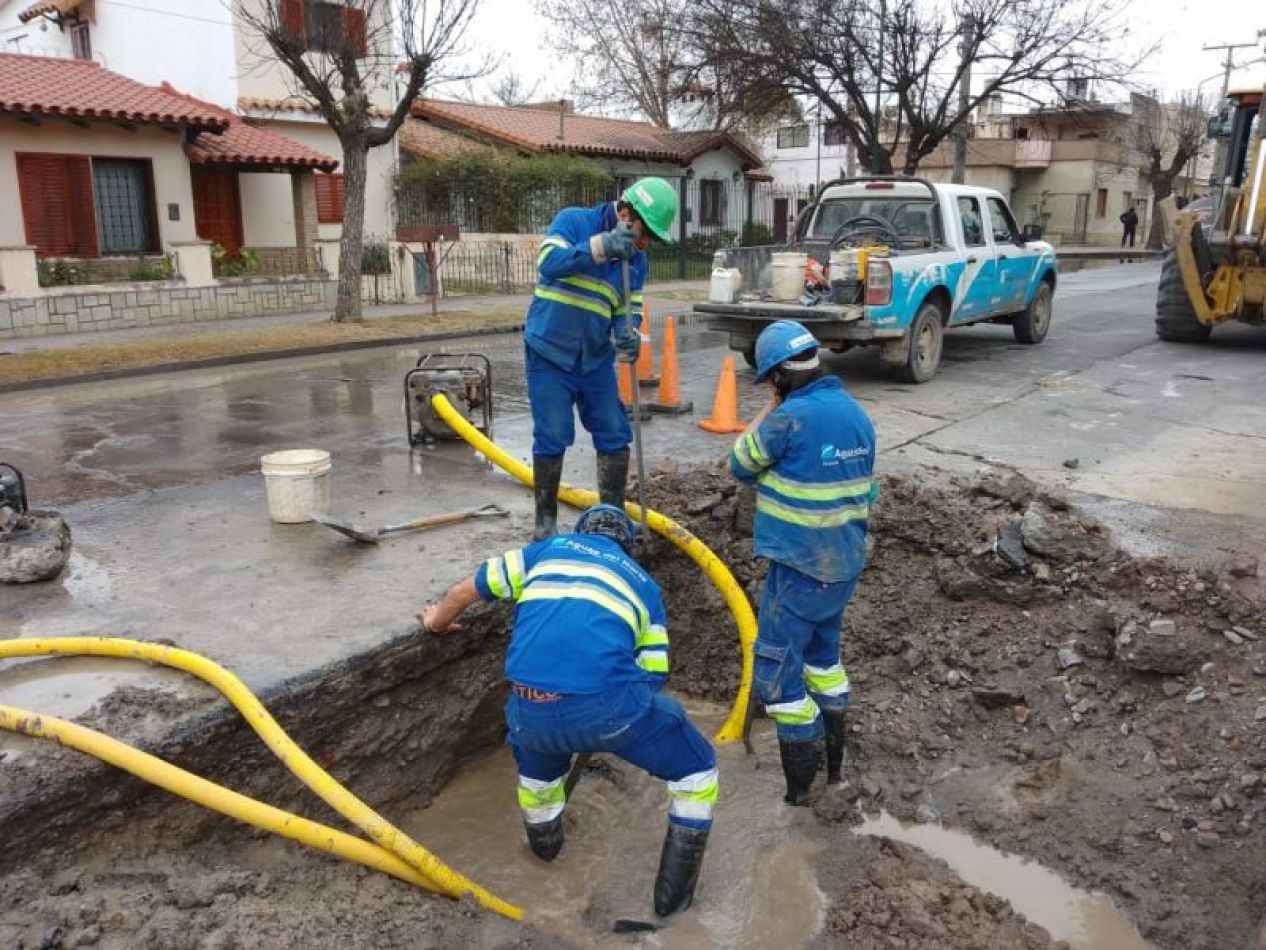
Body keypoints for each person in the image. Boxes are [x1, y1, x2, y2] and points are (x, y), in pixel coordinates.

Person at [417, 503, 717, 917]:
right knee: (698, 771)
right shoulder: (644, 585)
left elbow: (466, 591)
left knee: (539, 785)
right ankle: (673, 909)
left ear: (581, 531)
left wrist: (435, 622)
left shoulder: (545, 550)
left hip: (528, 713)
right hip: (609, 710)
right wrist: (604, 721)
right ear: (625, 545)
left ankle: (545, 865)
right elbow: (654, 676)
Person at [728, 321, 876, 805]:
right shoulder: (856, 415)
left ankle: (799, 796)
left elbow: (739, 464)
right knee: (823, 664)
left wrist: (772, 407)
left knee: (778, 679)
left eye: (770, 383)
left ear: (777, 377)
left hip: (798, 569)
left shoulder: (786, 419)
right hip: (842, 566)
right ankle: (835, 775)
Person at [526, 178, 678, 540]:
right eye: (646, 234)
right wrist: (601, 247)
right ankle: (544, 524)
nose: (646, 244)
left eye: (652, 239)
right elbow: (549, 262)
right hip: (549, 353)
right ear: (626, 212)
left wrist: (629, 331)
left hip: (594, 359)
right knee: (553, 435)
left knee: (613, 432)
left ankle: (611, 517)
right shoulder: (574, 221)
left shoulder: (637, 262)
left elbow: (630, 306)